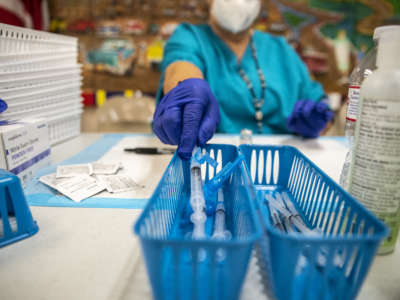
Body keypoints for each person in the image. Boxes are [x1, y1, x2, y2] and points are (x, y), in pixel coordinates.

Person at [153, 0, 333, 159]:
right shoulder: (190, 36)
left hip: (283, 163)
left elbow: (317, 99)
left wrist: (318, 120)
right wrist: (187, 87)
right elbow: (180, 67)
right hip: (216, 160)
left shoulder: (280, 48)